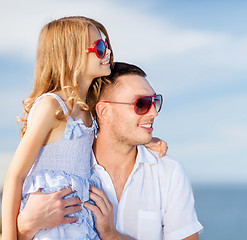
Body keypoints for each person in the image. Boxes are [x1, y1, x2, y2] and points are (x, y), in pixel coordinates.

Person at [2, 17, 165, 240]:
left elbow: (114, 135)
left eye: (106, 45)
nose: (107, 52)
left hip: (78, 221)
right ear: (71, 55)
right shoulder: (52, 106)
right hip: (51, 222)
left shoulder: (89, 108)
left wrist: (147, 139)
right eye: (99, 47)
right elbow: (15, 175)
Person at [17, 62, 203, 239]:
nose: (153, 112)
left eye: (155, 101)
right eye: (142, 104)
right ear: (104, 111)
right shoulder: (64, 170)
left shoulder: (169, 172)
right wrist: (25, 228)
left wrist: (112, 235)